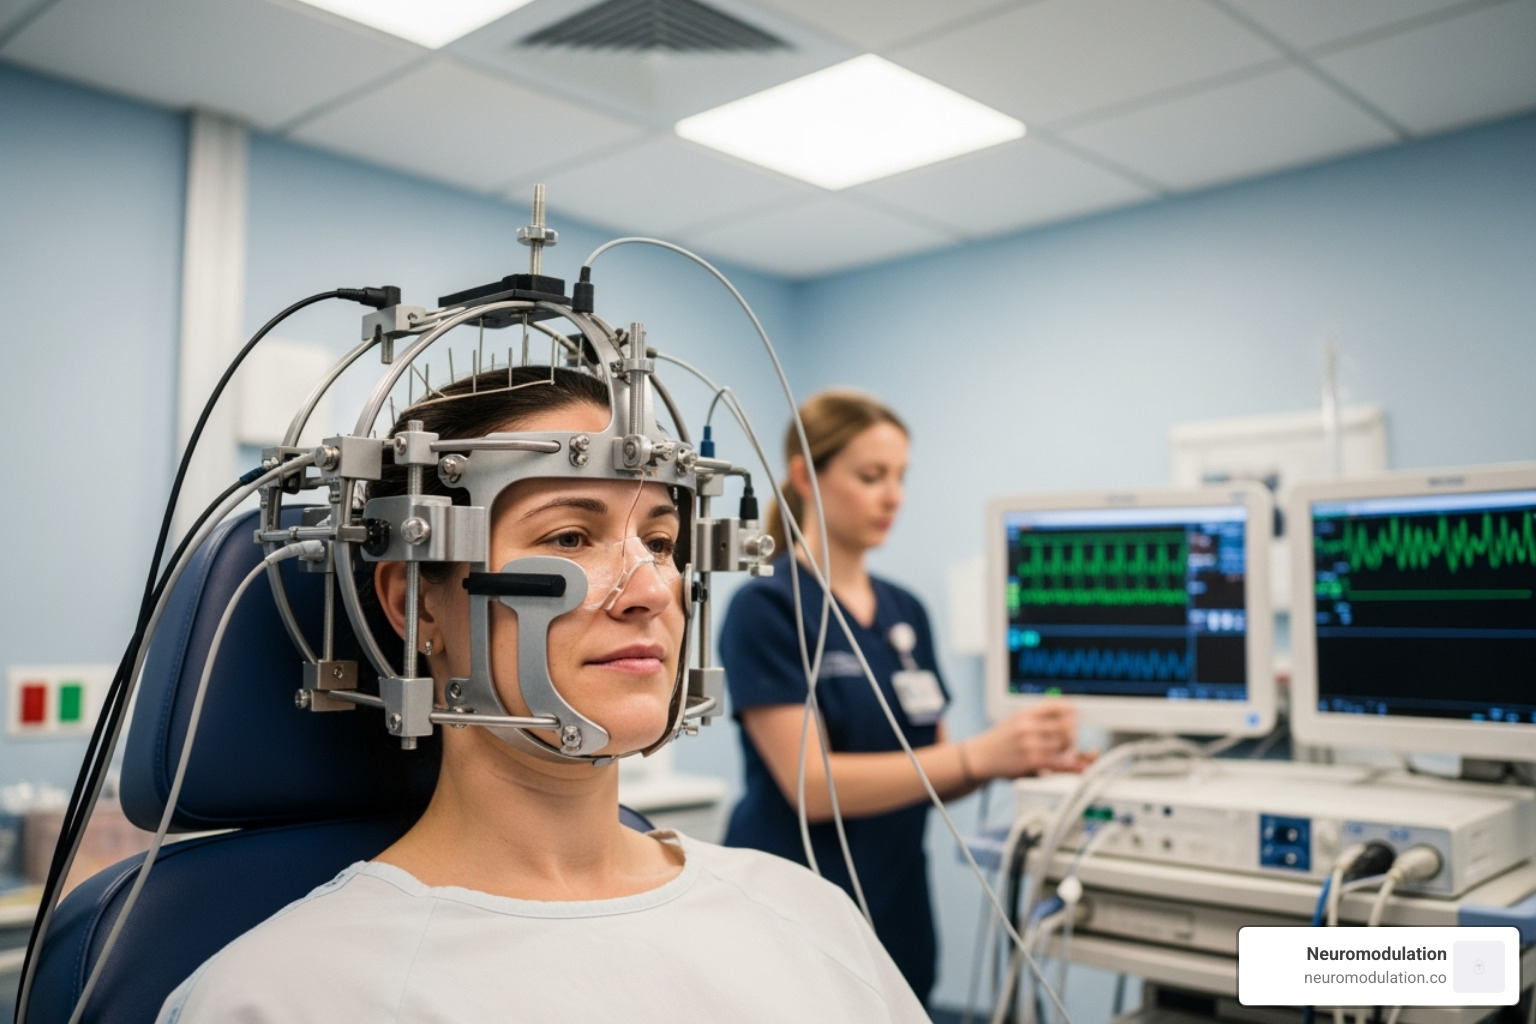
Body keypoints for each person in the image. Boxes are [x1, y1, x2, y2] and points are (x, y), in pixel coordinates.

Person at [156, 368, 928, 1023]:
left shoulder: (806, 914)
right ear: (419, 604)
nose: (651, 589)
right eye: (568, 538)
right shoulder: (285, 995)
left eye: (659, 543)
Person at [719, 389, 1090, 1006]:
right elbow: (813, 788)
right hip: (795, 901)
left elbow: (936, 774)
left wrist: (1022, 756)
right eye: (872, 476)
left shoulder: (904, 609)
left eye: (900, 477)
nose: (894, 496)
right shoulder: (768, 605)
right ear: (804, 476)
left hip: (895, 902)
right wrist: (979, 755)